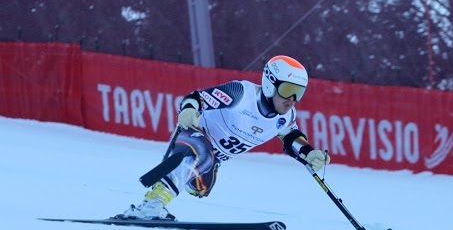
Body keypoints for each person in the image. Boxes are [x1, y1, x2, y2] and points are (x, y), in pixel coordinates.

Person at [118, 55, 331, 221]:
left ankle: (192, 174)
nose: (292, 100)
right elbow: (197, 98)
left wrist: (310, 153)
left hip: (212, 161)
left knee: (201, 187)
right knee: (201, 154)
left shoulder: (285, 116)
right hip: (191, 138)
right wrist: (189, 109)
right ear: (270, 84)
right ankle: (151, 205)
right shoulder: (241, 94)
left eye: (299, 93)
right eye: (288, 90)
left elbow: (291, 136)